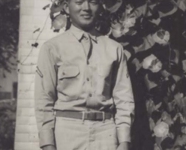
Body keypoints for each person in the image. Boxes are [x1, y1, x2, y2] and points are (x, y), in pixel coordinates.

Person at [34, 0, 135, 150]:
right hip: (67, 134)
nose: (86, 8)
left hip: (106, 134)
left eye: (93, 2)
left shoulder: (114, 49)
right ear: (67, 8)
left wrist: (124, 140)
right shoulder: (52, 48)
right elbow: (44, 100)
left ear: (100, 7)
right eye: (79, 2)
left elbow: (124, 98)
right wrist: (48, 144)